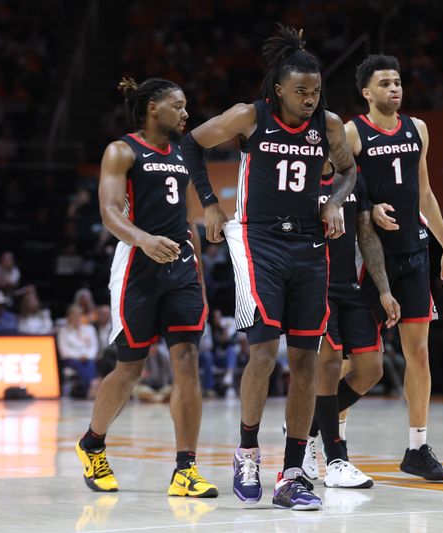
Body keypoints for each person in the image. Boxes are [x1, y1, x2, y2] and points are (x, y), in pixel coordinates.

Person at [180, 25, 356, 510]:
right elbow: (192, 144)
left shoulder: (330, 125)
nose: (309, 99)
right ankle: (247, 451)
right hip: (257, 240)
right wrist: (211, 205)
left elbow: (348, 170)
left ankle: (293, 473)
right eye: (301, 91)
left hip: (308, 241)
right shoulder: (249, 117)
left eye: (316, 91)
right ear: (279, 89)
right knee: (263, 351)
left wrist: (333, 203)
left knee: (306, 359)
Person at [75, 77, 216, 499]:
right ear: (154, 108)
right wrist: (143, 239)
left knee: (187, 359)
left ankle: (185, 469)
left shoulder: (182, 153)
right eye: (179, 105)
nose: (186, 113)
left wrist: (200, 277)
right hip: (137, 265)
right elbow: (110, 213)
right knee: (130, 367)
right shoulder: (121, 151)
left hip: (181, 268)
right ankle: (92, 444)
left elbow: (185, 220)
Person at [345, 54, 443, 481]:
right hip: (368, 258)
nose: (395, 89)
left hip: (413, 253)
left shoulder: (418, 129)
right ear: (366, 92)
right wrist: (369, 209)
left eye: (398, 82)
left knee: (419, 355)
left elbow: (424, 192)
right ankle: (330, 441)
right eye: (385, 84)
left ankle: (417, 447)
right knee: (354, 360)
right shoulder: (353, 133)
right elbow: (339, 187)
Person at [301, 161, 400, 488]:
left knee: (372, 368)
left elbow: (366, 234)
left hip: (350, 286)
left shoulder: (353, 180)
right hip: (315, 285)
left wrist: (384, 290)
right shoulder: (301, 178)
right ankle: (337, 460)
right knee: (328, 365)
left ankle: (305, 428)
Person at [57, 304, 99, 397]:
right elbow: (64, 351)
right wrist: (79, 356)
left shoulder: (89, 329)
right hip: (71, 359)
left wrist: (87, 356)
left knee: (89, 363)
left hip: (88, 358)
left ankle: (90, 388)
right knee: (82, 365)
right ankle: (92, 385)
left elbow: (94, 347)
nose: (77, 318)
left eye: (78, 315)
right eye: (74, 315)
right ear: (69, 317)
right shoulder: (63, 331)